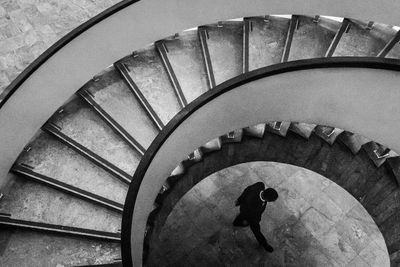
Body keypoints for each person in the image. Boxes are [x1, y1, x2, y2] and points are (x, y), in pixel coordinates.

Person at [233, 182, 278, 252]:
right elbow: (246, 211)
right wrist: (248, 221)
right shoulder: (253, 204)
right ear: (267, 199)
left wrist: (239, 200)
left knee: (239, 220)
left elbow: (247, 189)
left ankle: (264, 243)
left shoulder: (260, 185)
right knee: (256, 230)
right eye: (271, 201)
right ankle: (264, 243)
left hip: (248, 212)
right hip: (251, 218)